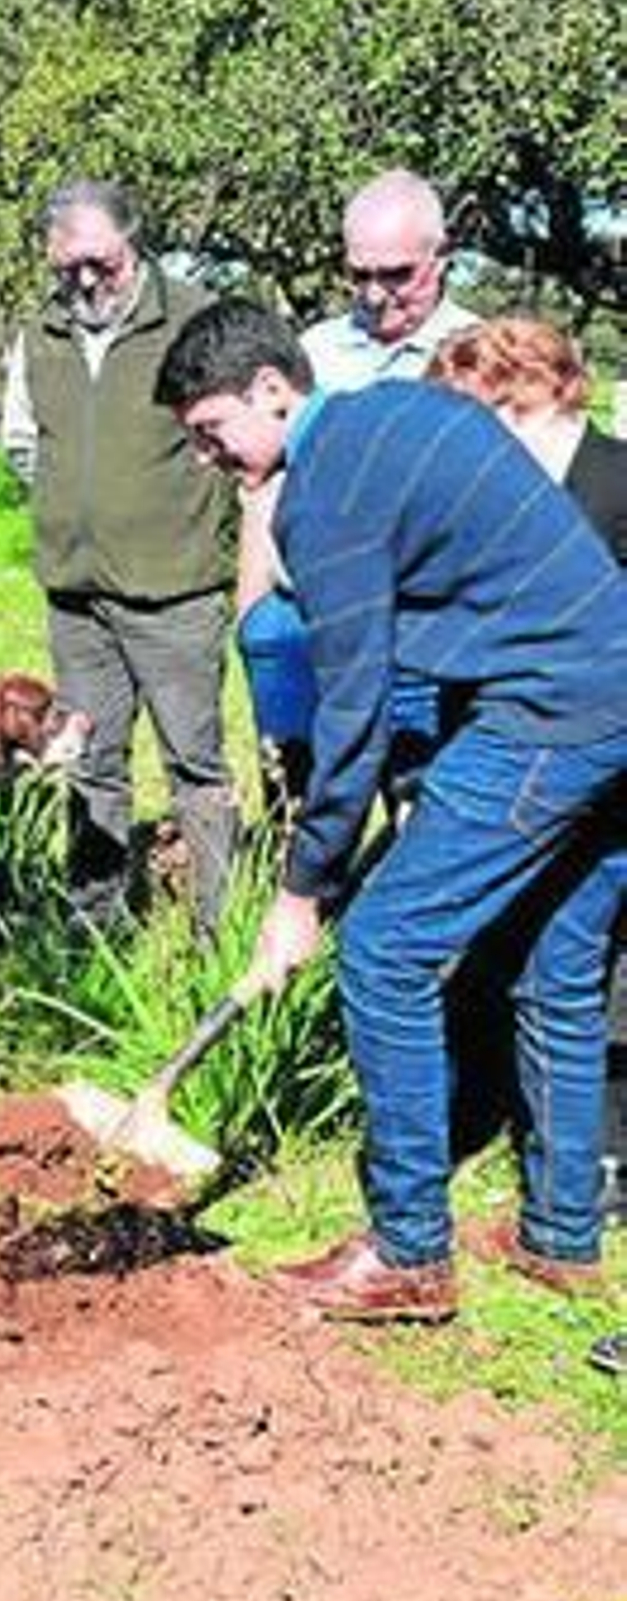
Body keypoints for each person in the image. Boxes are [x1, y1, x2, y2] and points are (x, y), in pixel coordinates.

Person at [155, 298, 627, 1323]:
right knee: (554, 960)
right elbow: (450, 610)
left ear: (272, 391)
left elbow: (352, 709)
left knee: (383, 951)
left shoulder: (321, 495)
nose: (207, 459)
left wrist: (303, 889)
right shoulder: (406, 416)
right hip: (611, 688)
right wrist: (416, 791)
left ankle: (408, 1253)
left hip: (553, 713)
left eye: (211, 432)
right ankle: (560, 1234)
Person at [426, 316, 627, 1232]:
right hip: (523, 766)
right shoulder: (500, 500)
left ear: (524, 397)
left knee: (584, 980)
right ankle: (559, 1191)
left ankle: (591, 1173)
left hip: (605, 769)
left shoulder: (614, 481)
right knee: (541, 972)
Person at [2, 178, 237, 930]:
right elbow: (21, 441)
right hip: (77, 594)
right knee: (90, 760)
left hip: (177, 589)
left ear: (134, 243)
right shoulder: (41, 331)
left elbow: (247, 440)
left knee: (194, 766)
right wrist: (79, 506)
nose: (84, 278)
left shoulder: (198, 318)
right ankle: (93, 920)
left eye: (98, 261)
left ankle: (217, 931)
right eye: (67, 266)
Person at [237, 170, 480, 814]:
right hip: (299, 625)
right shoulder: (314, 352)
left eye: (396, 274)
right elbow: (266, 483)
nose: (375, 294)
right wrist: (252, 609)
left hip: (417, 625)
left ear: (441, 259)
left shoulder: (481, 356)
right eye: (358, 274)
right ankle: (308, 911)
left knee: (419, 802)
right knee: (299, 802)